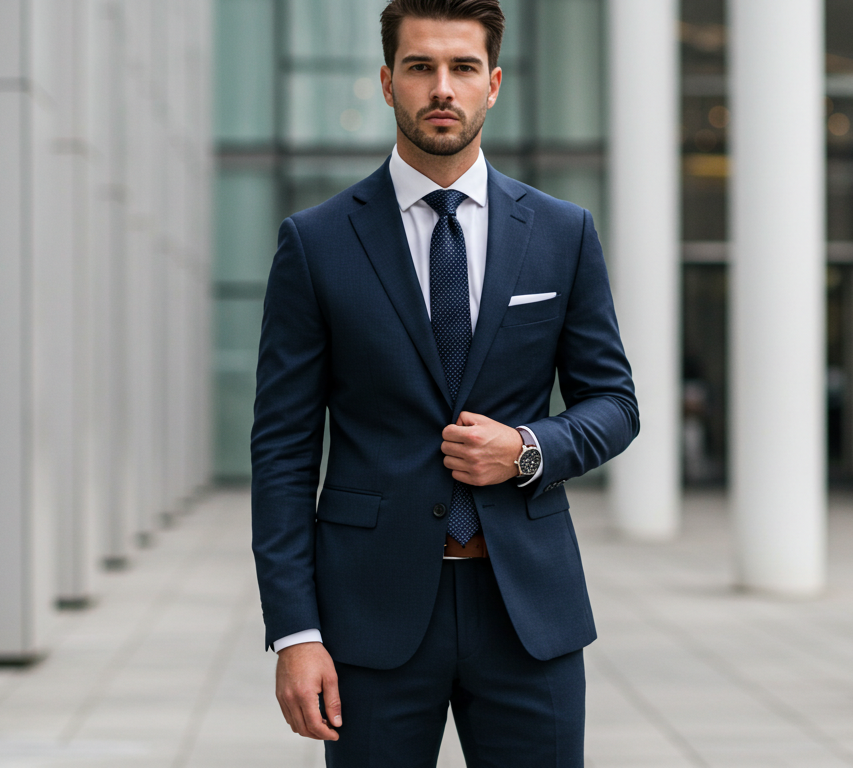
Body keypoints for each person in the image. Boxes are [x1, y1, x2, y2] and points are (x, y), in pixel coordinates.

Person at [250, 1, 637, 764]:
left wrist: (526, 449)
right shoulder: (316, 243)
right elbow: (282, 452)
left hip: (527, 611)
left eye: (462, 68)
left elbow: (614, 405)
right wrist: (295, 632)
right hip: (369, 613)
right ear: (386, 81)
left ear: (492, 83)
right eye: (420, 67)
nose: (441, 88)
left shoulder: (561, 233)